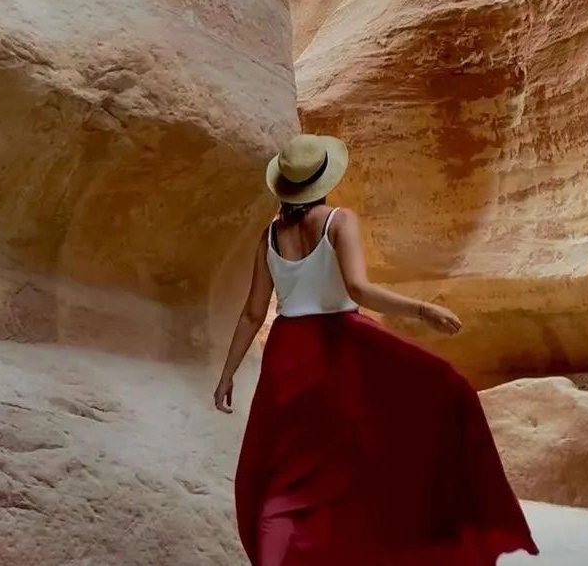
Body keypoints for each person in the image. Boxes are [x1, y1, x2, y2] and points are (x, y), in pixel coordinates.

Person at [215, 132, 538, 565]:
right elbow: (359, 289)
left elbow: (254, 313)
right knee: (427, 405)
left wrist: (227, 374)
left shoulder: (269, 236)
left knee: (287, 475)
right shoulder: (338, 221)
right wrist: (422, 310)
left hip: (287, 356)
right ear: (323, 180)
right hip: (339, 347)